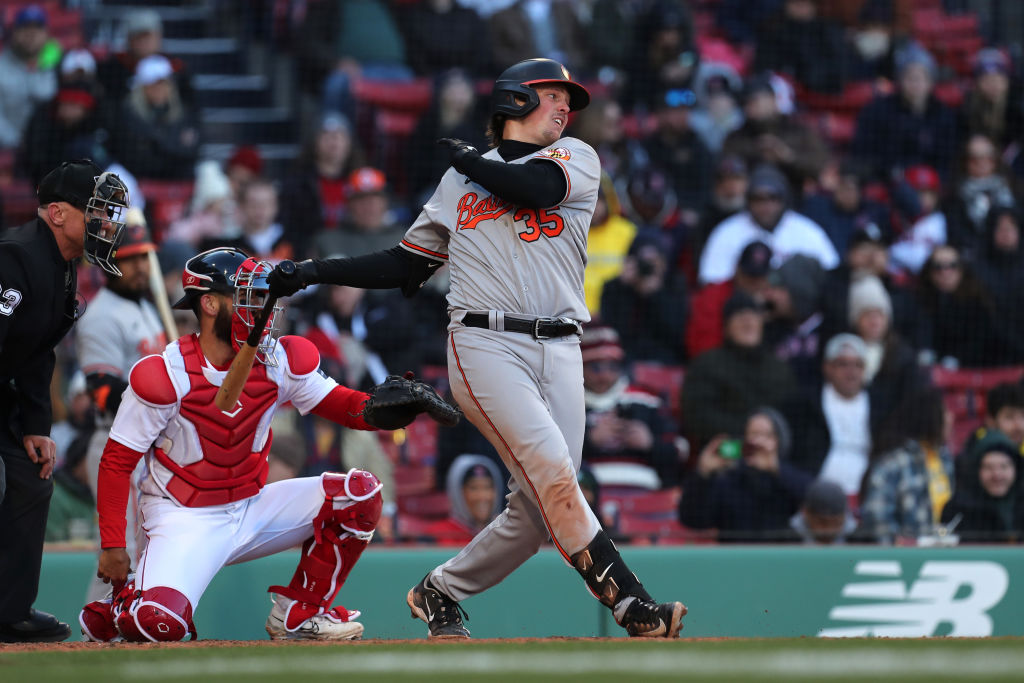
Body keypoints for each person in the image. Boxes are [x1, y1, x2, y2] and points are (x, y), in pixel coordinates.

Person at [268, 58, 687, 639]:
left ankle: (440, 590)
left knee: (538, 515)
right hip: (484, 341)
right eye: (553, 95)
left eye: (570, 99)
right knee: (556, 479)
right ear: (514, 100)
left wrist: (468, 160)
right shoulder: (461, 180)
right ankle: (632, 604)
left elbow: (535, 189)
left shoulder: (575, 159)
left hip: (564, 347)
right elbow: (405, 264)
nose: (566, 107)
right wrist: (313, 270)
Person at [77, 247, 450, 643]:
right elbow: (116, 462)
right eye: (248, 296)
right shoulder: (163, 374)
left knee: (360, 495)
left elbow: (346, 408)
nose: (260, 307)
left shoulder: (279, 358)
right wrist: (114, 545)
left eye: (260, 296)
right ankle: (118, 606)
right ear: (208, 303)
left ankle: (299, 614)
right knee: (158, 624)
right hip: (183, 517)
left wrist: (390, 409)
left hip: (251, 506)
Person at [0, 159, 130, 643]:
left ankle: (9, 612)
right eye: (97, 212)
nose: (107, 224)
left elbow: (37, 355)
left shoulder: (63, 267)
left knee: (32, 481)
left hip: (7, 400)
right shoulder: (15, 256)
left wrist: (37, 425)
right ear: (57, 213)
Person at [75, 210, 167, 602]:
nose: (140, 267)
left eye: (143, 257)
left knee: (150, 551)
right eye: (129, 258)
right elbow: (103, 392)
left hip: (151, 447)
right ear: (109, 264)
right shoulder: (100, 317)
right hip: (119, 443)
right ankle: (95, 624)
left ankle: (133, 624)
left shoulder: (145, 306)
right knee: (120, 551)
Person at [682, 291, 796, 450]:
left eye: (753, 317)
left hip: (770, 450)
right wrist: (749, 432)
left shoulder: (779, 369)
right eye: (740, 317)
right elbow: (698, 417)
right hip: (725, 448)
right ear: (727, 327)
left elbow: (792, 416)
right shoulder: (707, 364)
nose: (748, 322)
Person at [678, 408, 813, 542]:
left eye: (766, 436)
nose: (758, 442)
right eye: (753, 434)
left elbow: (815, 499)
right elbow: (693, 520)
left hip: (780, 557)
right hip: (737, 558)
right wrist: (703, 474)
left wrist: (776, 468)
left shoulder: (789, 477)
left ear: (779, 441)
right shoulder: (729, 479)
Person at [698, 164, 838, 285]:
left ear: (784, 200)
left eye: (773, 198)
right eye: (758, 199)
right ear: (748, 201)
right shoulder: (727, 231)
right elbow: (711, 280)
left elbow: (830, 272)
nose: (766, 205)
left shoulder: (806, 230)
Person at [580, 327, 682, 488]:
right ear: (580, 366)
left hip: (646, 492)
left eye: (612, 367)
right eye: (596, 367)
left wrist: (650, 444)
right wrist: (589, 441)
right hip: (585, 493)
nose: (605, 375)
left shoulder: (648, 400)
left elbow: (681, 452)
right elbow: (548, 456)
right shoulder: (567, 403)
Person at [860, 387, 954, 544]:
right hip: (906, 559)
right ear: (930, 417)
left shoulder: (946, 459)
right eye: (944, 412)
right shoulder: (892, 464)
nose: (951, 417)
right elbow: (878, 520)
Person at [786, 333, 877, 495]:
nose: (852, 372)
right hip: (815, 493)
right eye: (843, 364)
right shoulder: (806, 404)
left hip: (868, 494)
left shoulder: (880, 405)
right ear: (827, 367)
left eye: (858, 365)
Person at [599, 230, 689, 364]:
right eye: (643, 262)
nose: (647, 267)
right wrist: (623, 289)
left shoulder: (675, 286)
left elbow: (677, 336)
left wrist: (657, 296)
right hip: (624, 358)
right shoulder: (615, 287)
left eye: (653, 261)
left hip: (665, 361)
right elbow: (611, 331)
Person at [686, 239, 772, 359]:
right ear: (737, 268)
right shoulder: (712, 296)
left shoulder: (773, 301)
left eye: (759, 277)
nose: (753, 283)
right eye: (749, 275)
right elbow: (702, 348)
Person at [941, 431, 1023, 543]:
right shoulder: (957, 511)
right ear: (976, 471)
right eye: (988, 467)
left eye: (1004, 467)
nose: (997, 475)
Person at [0, 4, 58, 149]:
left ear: (46, 33)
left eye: (38, 27)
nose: (31, 33)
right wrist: (19, 143)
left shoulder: (57, 65)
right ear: (13, 32)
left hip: (48, 150)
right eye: (25, 27)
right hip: (7, 151)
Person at [413, 454, 504, 546]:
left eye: (487, 487)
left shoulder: (504, 533)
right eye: (473, 488)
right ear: (457, 492)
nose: (482, 496)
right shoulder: (435, 536)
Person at [787, 478, 858, 545]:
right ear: (805, 513)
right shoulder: (786, 539)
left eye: (836, 522)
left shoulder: (859, 539)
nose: (829, 530)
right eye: (823, 522)